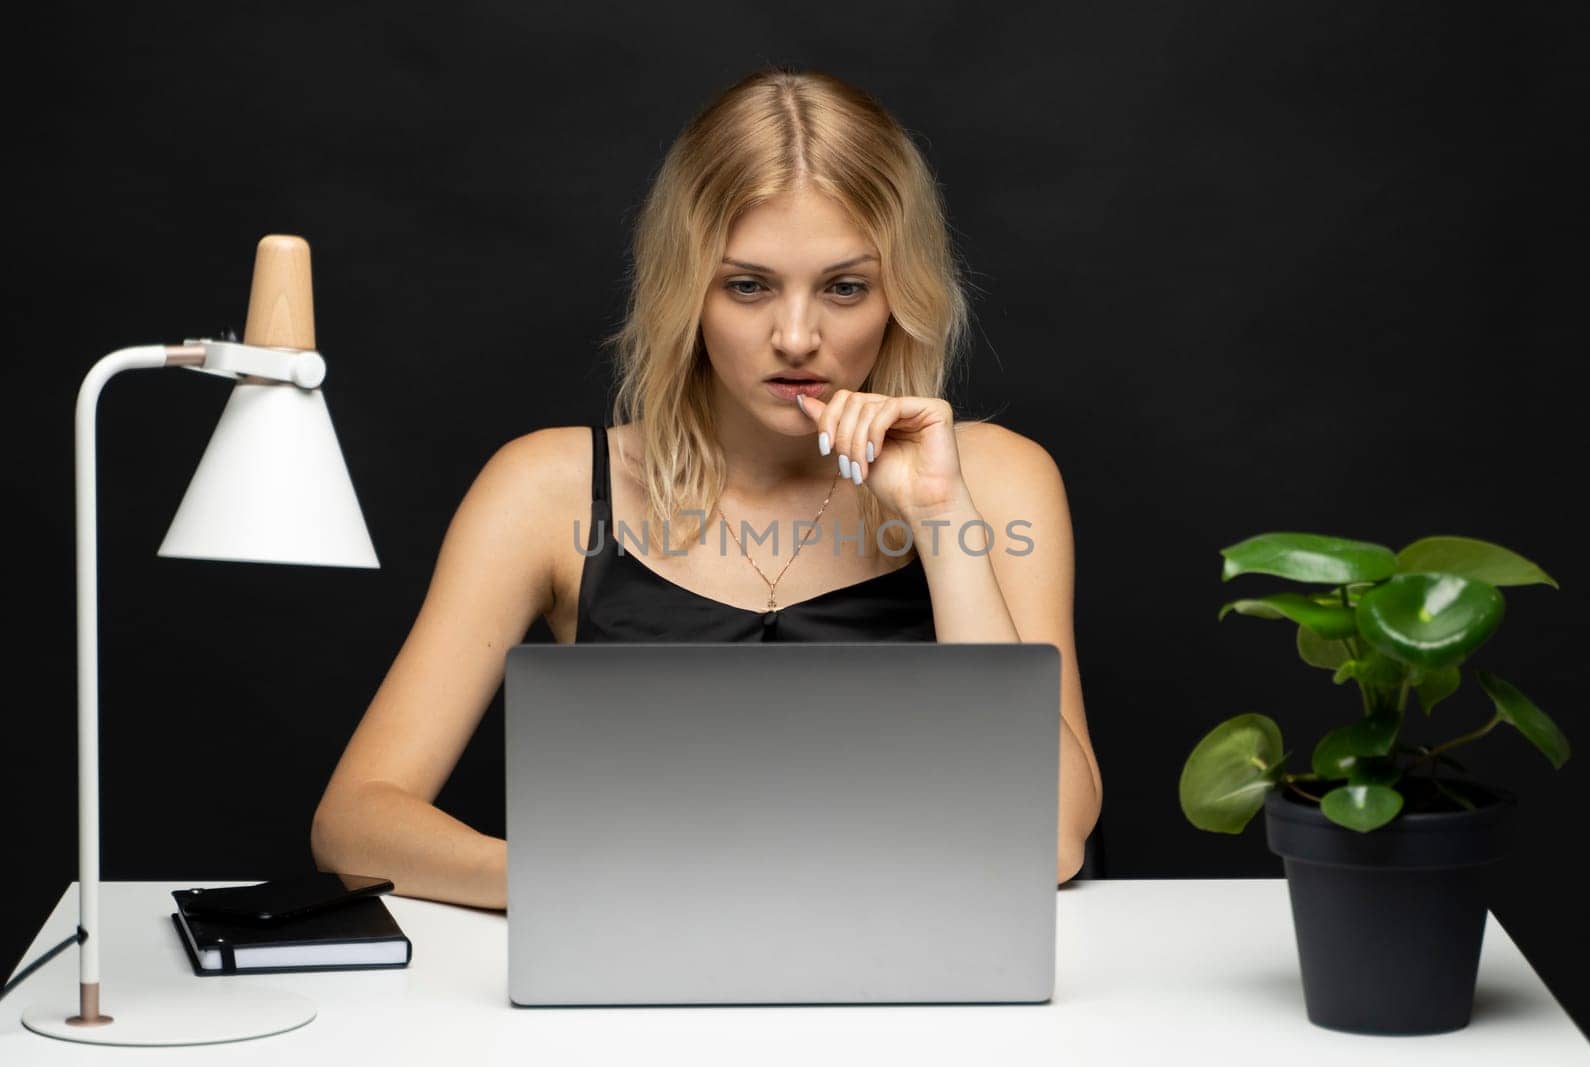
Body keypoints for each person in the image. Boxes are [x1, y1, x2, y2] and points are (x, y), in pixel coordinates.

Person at [310, 68, 1102, 909]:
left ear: (899, 293)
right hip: (633, 978)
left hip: (922, 987)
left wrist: (941, 522)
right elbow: (355, 824)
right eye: (748, 285)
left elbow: (1048, 837)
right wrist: (576, 883)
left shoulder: (1000, 480)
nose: (796, 337)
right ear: (686, 291)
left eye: (844, 287)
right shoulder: (549, 490)